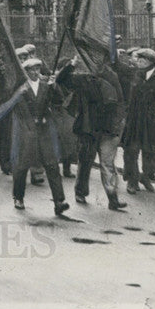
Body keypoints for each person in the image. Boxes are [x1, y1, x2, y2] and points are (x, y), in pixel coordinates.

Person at [56, 52, 128, 211]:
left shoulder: (111, 76)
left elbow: (120, 101)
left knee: (107, 164)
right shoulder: (82, 78)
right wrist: (71, 64)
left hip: (107, 128)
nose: (95, 61)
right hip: (87, 128)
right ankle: (80, 192)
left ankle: (113, 198)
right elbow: (60, 80)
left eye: (98, 58)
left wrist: (117, 124)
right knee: (85, 161)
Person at [8, 59, 70, 216]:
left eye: (37, 69)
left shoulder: (46, 85)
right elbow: (18, 110)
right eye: (32, 70)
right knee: (22, 166)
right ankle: (18, 197)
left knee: (52, 165)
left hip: (43, 131)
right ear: (26, 71)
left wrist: (54, 87)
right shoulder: (20, 88)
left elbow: (59, 101)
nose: (36, 72)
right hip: (27, 131)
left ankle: (59, 201)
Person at [121, 48, 155, 201]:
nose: (139, 61)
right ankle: (132, 181)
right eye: (139, 59)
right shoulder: (135, 74)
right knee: (131, 151)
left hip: (152, 122)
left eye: (143, 59)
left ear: (151, 62)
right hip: (135, 120)